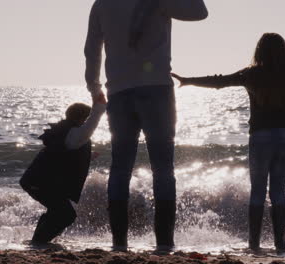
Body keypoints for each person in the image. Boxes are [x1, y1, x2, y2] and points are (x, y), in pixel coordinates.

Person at [84, 0, 208, 252]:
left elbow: (91, 49)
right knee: (163, 169)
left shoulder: (102, 4)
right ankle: (164, 242)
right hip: (157, 90)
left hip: (119, 92)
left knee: (120, 168)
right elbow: (200, 11)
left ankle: (119, 242)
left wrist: (94, 87)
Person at [172, 33, 285, 253]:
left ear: (259, 51)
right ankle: (280, 246)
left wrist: (188, 81)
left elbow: (220, 81)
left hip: (260, 136)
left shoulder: (251, 74)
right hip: (284, 135)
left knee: (257, 190)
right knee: (278, 192)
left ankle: (253, 245)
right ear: (284, 51)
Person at [20, 95, 106, 245]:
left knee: (57, 211)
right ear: (82, 119)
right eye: (87, 119)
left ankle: (37, 242)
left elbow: (63, 153)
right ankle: (39, 242)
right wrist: (99, 109)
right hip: (39, 182)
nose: (88, 125)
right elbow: (70, 144)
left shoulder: (67, 131)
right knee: (66, 215)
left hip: (41, 181)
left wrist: (88, 157)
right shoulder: (73, 133)